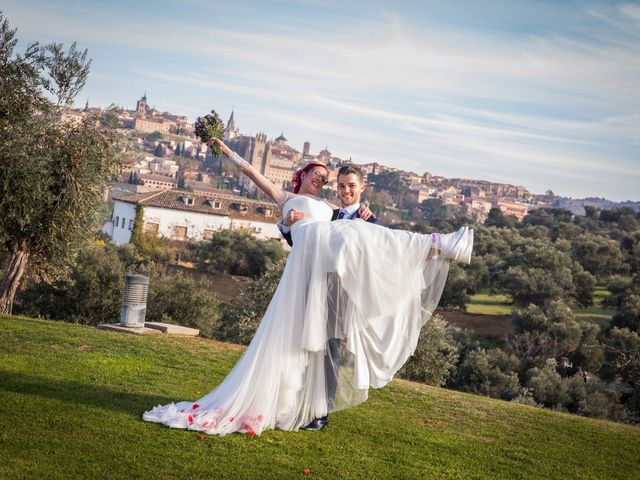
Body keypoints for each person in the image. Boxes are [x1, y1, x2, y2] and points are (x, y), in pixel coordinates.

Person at [143, 138, 473, 436]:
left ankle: (433, 246)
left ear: (358, 187)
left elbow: (372, 246)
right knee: (308, 346)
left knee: (329, 341)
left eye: (330, 180)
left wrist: (363, 221)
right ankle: (298, 406)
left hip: (335, 283)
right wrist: (285, 220)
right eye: (320, 176)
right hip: (310, 278)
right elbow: (261, 189)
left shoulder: (347, 215)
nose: (325, 182)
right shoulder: (306, 205)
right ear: (302, 175)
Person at [277, 164, 379, 247]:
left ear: (362, 187)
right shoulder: (328, 215)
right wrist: (286, 225)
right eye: (342, 186)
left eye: (352, 186)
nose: (346, 191)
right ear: (337, 188)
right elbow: (302, 243)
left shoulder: (370, 221)